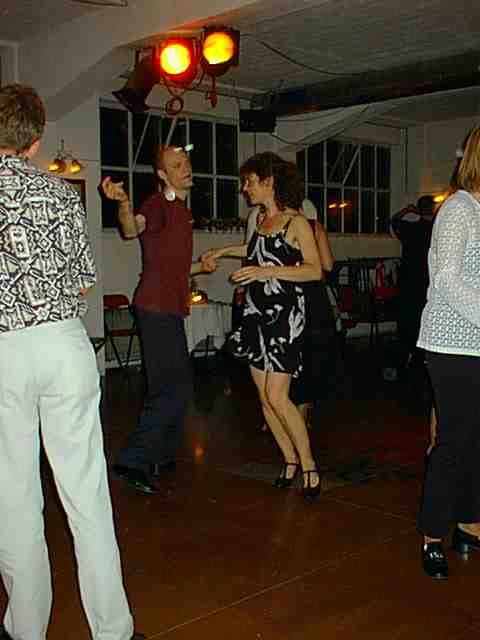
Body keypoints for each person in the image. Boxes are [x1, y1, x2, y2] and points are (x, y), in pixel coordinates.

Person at [0, 84, 143, 640]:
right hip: (64, 346)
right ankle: (113, 629)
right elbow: (83, 284)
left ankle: (26, 628)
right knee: (87, 497)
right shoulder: (61, 194)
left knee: (14, 499)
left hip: (5, 351)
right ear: (36, 141)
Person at [202, 152, 322, 498]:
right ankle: (289, 461)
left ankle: (309, 464)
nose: (245, 188)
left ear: (269, 182)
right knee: (264, 399)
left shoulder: (296, 222)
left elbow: (314, 270)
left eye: (250, 181)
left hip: (285, 316)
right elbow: (254, 247)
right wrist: (222, 251)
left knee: (277, 395)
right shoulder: (259, 217)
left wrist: (266, 271)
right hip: (255, 314)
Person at [101, 145, 215, 495]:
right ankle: (132, 461)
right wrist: (123, 203)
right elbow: (131, 229)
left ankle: (161, 455)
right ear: (163, 174)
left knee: (177, 385)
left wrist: (200, 268)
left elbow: (172, 265)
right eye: (176, 165)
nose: (186, 168)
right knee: (170, 389)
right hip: (155, 308)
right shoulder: (157, 204)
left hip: (169, 308)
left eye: (187, 162)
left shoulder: (181, 210)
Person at [416, 125, 480, 579]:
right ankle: (432, 534)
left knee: (477, 439)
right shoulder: (458, 208)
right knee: (454, 440)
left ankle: (469, 523)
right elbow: (447, 279)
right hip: (450, 342)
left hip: (475, 340)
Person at [290, 203, 338, 428]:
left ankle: (284, 409)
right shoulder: (313, 226)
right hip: (313, 294)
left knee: (290, 351)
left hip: (289, 291)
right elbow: (327, 264)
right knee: (311, 352)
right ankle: (302, 411)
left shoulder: (276, 226)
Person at [391, 195, 436, 366]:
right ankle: (424, 353)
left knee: (408, 316)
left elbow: (394, 220)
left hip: (409, 278)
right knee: (425, 315)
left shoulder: (410, 228)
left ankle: (409, 351)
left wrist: (407, 211)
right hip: (428, 279)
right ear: (432, 209)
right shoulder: (437, 230)